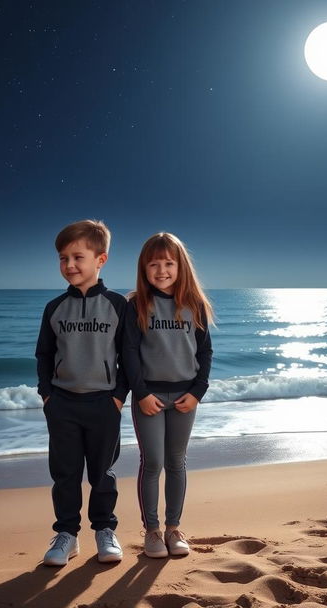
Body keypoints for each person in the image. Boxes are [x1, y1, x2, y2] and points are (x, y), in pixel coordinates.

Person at [35, 219, 128, 566]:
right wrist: (47, 395)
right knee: (65, 474)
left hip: (104, 403)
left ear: (100, 260)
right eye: (62, 258)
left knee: (102, 474)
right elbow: (43, 354)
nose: (69, 266)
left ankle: (105, 531)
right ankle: (67, 536)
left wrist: (118, 396)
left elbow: (128, 356)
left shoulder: (119, 306)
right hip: (63, 404)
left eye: (77, 257)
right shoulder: (54, 307)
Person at [123, 232, 213, 558]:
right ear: (144, 268)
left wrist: (197, 392)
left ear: (180, 266)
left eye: (169, 263)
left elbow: (204, 354)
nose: (162, 270)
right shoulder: (136, 305)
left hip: (185, 397)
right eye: (154, 264)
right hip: (150, 397)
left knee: (176, 462)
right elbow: (129, 355)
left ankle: (174, 529)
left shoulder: (194, 305)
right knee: (153, 462)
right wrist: (142, 393)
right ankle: (152, 531)